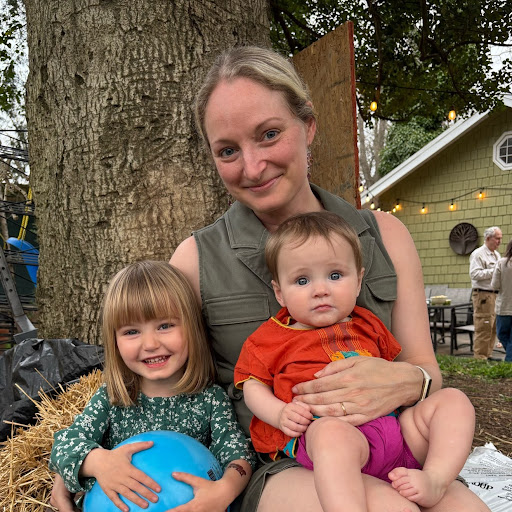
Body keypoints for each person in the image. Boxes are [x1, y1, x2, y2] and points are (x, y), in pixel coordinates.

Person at [50, 46, 490, 512]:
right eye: (228, 151)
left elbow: (427, 371)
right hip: (279, 462)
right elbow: (157, 378)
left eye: (269, 134)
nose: (253, 166)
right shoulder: (196, 259)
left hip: (393, 441)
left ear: (309, 126)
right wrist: (82, 464)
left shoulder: (385, 235)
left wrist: (406, 381)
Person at [234, 212, 476, 511]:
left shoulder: (368, 325)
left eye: (335, 275)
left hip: (395, 433)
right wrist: (279, 412)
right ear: (280, 293)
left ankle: (436, 478)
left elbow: (393, 374)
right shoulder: (269, 338)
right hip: (331, 442)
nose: (321, 290)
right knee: (331, 434)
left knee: (454, 400)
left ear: (359, 282)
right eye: (302, 280)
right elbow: (252, 386)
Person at [49, 261, 256, 512]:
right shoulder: (113, 398)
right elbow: (64, 445)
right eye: (131, 331)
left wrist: (225, 490)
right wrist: (99, 462)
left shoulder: (210, 399)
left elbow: (238, 454)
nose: (150, 344)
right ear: (114, 341)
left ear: (192, 328)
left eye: (165, 326)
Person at [469, 226, 502, 360]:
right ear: (488, 238)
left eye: (500, 239)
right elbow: (474, 274)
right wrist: (494, 271)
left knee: (492, 326)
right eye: (497, 238)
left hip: (495, 294)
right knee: (484, 326)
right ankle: (480, 358)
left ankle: (488, 354)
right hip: (483, 295)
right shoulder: (478, 254)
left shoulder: (497, 255)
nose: (499, 241)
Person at [491, 239, 512, 362]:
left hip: (504, 307)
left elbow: (495, 285)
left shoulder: (501, 263)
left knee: (501, 334)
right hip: (505, 307)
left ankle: (509, 361)